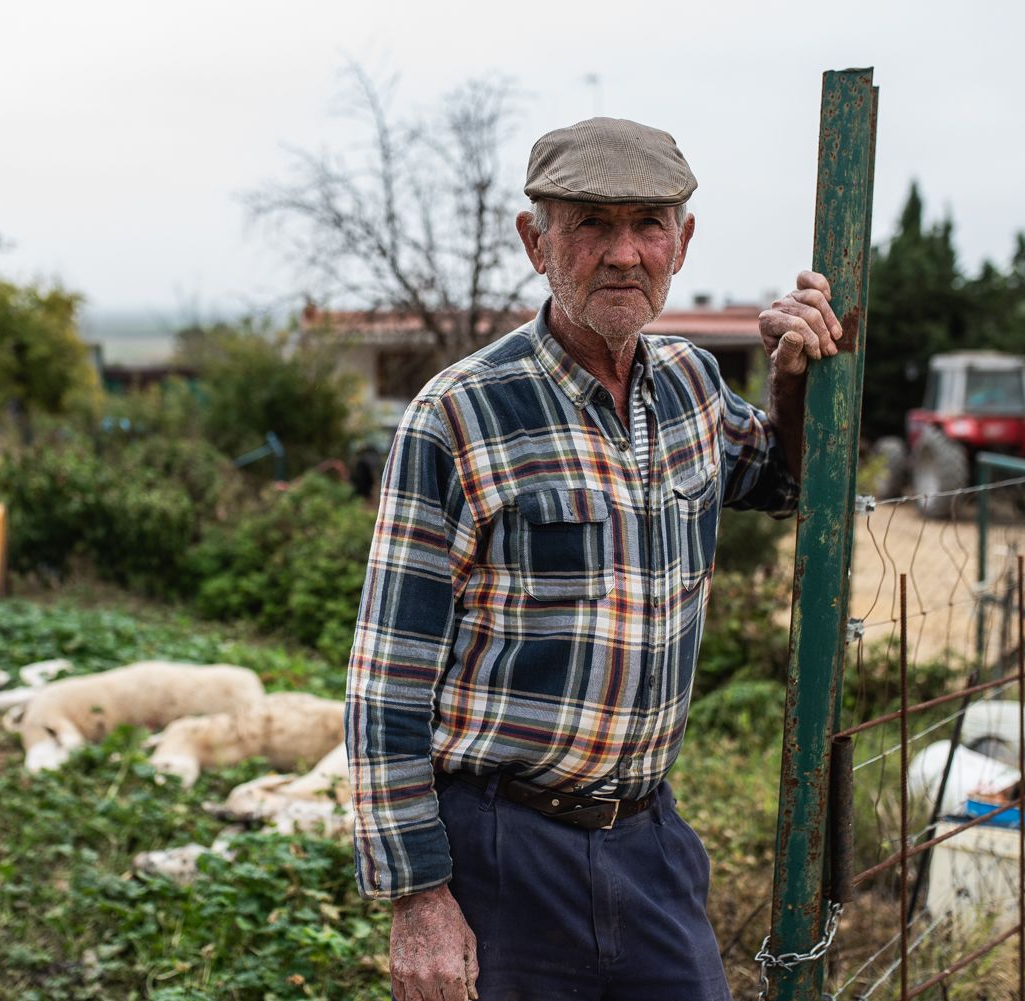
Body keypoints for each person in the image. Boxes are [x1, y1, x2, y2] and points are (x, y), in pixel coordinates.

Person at [345, 116, 844, 1001]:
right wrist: (419, 896)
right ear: (536, 241)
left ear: (682, 243)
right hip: (502, 847)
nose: (623, 253)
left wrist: (796, 380)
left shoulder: (691, 384)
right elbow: (388, 676)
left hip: (649, 837)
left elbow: (781, 480)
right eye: (591, 224)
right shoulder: (458, 413)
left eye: (648, 223)